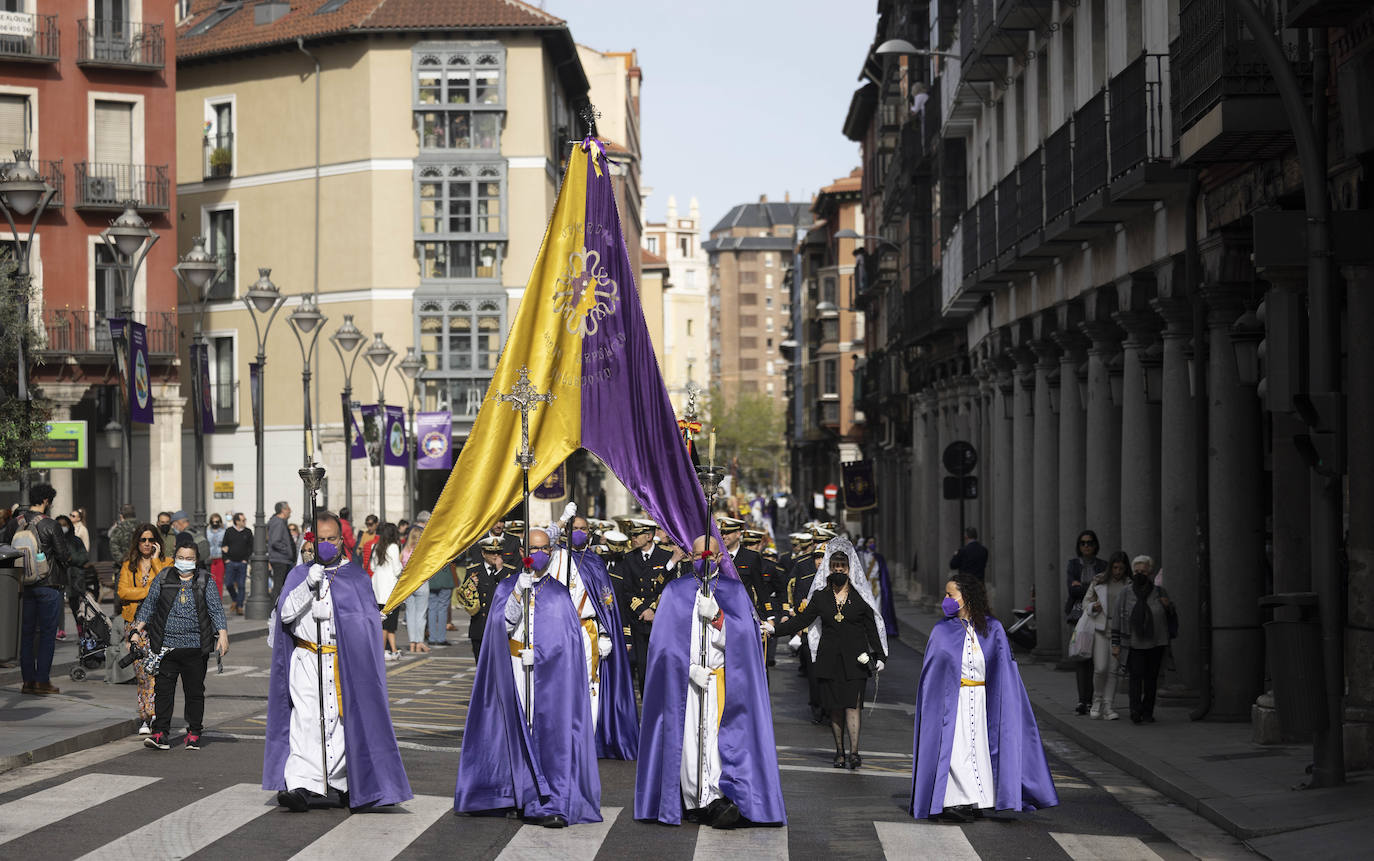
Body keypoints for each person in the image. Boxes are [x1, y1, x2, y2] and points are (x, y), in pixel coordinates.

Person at [263, 511, 412, 811]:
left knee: (340, 723)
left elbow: (365, 619)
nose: (327, 544)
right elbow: (286, 616)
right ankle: (301, 784)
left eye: (332, 539)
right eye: (321, 540)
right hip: (307, 660)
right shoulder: (298, 575)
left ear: (342, 541)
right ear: (311, 541)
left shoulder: (355, 576)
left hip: (342, 661)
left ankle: (341, 783)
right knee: (306, 720)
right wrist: (307, 586)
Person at [454, 525, 601, 828]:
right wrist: (516, 597)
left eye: (544, 548)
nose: (538, 553)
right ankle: (511, 793)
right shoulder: (508, 585)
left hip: (546, 676)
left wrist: (544, 656)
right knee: (513, 730)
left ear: (551, 552)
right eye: (532, 548)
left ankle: (543, 796)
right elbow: (501, 627)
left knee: (543, 732)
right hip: (514, 669)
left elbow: (567, 642)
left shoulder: (560, 593)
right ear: (521, 552)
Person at [635, 534, 786, 828]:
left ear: (719, 558)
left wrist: (718, 616)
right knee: (690, 742)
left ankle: (717, 796)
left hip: (721, 682)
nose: (704, 560)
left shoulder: (734, 591)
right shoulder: (675, 591)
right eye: (698, 555)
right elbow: (662, 645)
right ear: (691, 557)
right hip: (688, 683)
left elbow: (747, 639)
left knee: (717, 743)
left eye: (710, 556)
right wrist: (688, 669)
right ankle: (695, 800)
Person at [910, 573, 1058, 822]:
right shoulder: (941, 631)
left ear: (966, 598)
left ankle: (977, 799)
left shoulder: (993, 628)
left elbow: (1005, 670)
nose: (945, 599)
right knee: (955, 751)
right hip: (952, 701)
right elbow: (932, 675)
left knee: (979, 751)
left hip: (981, 700)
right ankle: (955, 801)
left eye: (950, 595)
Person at [773, 537, 887, 769]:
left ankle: (854, 752)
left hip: (856, 659)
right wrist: (774, 630)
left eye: (842, 567)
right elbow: (802, 620)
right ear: (828, 568)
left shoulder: (860, 597)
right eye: (834, 567)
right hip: (829, 658)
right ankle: (840, 752)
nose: (838, 571)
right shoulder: (821, 596)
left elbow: (871, 627)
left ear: (849, 569)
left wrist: (881, 656)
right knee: (835, 707)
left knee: (853, 706)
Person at [132, 533, 229, 751]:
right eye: (181, 556)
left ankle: (194, 732)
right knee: (164, 691)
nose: (184, 561)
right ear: (175, 557)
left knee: (194, 691)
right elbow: (149, 605)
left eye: (189, 557)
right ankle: (160, 734)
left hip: (196, 647)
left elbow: (215, 609)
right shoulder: (164, 577)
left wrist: (223, 634)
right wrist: (136, 630)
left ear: (196, 560)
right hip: (166, 646)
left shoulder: (205, 580)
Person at [560, 512, 639, 760]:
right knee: (562, 685)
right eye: (576, 528)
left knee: (590, 685)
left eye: (584, 528)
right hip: (561, 631)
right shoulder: (557, 558)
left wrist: (605, 632)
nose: (580, 532)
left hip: (588, 632)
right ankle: (564, 738)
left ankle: (589, 738)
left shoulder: (595, 561)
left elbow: (606, 602)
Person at [3, 484, 72, 695]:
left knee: (26, 633)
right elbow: (63, 555)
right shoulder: (50, 524)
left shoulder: (15, 523)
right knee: (47, 634)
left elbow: (5, 549)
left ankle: (27, 681)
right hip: (48, 584)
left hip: (23, 585)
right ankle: (42, 681)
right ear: (46, 501)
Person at [117, 523, 170, 731]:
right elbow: (123, 592)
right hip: (134, 624)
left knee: (157, 670)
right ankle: (146, 717)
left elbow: (167, 585)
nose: (147, 544)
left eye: (150, 540)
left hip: (158, 623)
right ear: (137, 542)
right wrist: (149, 590)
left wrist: (156, 562)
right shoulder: (128, 565)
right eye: (143, 540)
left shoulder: (165, 562)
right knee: (141, 672)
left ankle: (156, 714)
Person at [1112, 555, 1174, 725]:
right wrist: (1115, 644)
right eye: (1137, 571)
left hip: (1156, 642)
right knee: (1136, 677)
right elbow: (1117, 618)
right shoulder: (1126, 592)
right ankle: (1135, 710)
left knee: (1151, 678)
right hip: (1134, 643)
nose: (1140, 574)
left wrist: (1168, 606)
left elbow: (1171, 616)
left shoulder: (1160, 592)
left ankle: (1148, 711)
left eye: (1144, 571)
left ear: (1150, 572)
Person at [620, 519, 674, 693]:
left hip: (660, 621)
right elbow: (627, 590)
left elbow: (669, 588)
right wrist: (643, 610)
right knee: (643, 670)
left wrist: (654, 610)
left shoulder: (666, 556)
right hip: (639, 621)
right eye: (632, 534)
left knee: (662, 666)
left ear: (649, 536)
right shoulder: (629, 558)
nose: (633, 538)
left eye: (637, 534)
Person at [1066, 529, 1107, 715]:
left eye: (1090, 542)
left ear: (1095, 545)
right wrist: (1090, 587)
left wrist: (1081, 587)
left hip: (1098, 616)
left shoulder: (1103, 565)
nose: (1086, 546)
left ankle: (1094, 699)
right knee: (1081, 657)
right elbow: (1072, 590)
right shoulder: (1073, 564)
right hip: (1079, 617)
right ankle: (1082, 700)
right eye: (1083, 543)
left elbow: (1101, 591)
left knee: (1096, 660)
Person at [1086, 550, 1130, 720]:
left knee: (1113, 670)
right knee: (1100, 668)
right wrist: (1092, 607)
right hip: (1101, 628)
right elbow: (1086, 602)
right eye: (1115, 567)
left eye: (1121, 568)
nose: (1118, 571)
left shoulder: (1129, 583)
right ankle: (1097, 701)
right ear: (1110, 567)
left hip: (1119, 630)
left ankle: (1108, 705)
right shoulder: (1099, 580)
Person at [456, 536, 514, 662]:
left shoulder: (508, 571)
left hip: (500, 627)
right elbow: (466, 601)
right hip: (480, 627)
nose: (495, 556)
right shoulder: (473, 571)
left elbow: (511, 594)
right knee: (481, 666)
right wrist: (470, 587)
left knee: (499, 667)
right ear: (483, 553)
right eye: (491, 552)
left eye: (498, 552)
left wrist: (500, 571)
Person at [53, 514, 93, 640]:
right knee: (57, 606)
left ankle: (81, 633)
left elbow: (84, 557)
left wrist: (71, 559)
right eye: (59, 525)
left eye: (64, 525)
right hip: (59, 578)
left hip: (75, 578)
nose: (62, 527)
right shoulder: (53, 540)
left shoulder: (76, 540)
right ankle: (60, 631)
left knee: (76, 607)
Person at [369, 523, 404, 660]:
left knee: (384, 621)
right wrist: (400, 562)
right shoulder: (394, 547)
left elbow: (372, 567)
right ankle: (382, 650)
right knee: (388, 623)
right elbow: (397, 569)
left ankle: (393, 649)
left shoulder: (375, 546)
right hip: (389, 588)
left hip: (377, 586)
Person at [858, 537, 899, 639]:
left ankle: (878, 629)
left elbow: (883, 573)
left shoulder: (879, 557)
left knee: (877, 607)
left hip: (877, 585)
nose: (872, 544)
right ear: (866, 544)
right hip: (866, 585)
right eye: (870, 542)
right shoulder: (861, 555)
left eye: (874, 542)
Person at [401, 520, 430, 652]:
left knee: (410, 614)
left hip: (408, 585)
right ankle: (419, 642)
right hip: (421, 583)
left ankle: (412, 642)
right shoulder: (421, 551)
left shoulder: (405, 551)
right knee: (421, 614)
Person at [221, 512, 253, 615]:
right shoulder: (229, 531)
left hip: (242, 563)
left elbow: (250, 547)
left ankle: (239, 606)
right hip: (230, 562)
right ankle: (235, 599)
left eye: (245, 520)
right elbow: (224, 546)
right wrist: (226, 559)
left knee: (241, 585)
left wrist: (246, 559)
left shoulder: (248, 532)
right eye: (243, 520)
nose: (245, 522)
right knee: (229, 583)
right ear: (237, 521)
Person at [266, 501, 294, 599]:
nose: (291, 511)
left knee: (282, 586)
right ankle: (274, 610)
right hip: (280, 559)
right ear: (283, 510)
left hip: (282, 559)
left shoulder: (280, 522)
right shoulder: (278, 522)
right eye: (289, 509)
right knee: (278, 587)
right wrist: (287, 551)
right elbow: (275, 541)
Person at [427, 554, 455, 648]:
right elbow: (457, 557)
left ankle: (432, 638)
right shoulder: (447, 542)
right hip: (445, 577)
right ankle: (440, 638)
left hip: (432, 577)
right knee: (442, 609)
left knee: (432, 609)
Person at [108, 504, 139, 569]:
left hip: (123, 567)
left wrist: (123, 561)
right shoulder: (143, 526)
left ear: (121, 515)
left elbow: (114, 547)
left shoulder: (119, 528)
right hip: (141, 565)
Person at [206, 514, 227, 599]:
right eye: (213, 521)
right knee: (210, 580)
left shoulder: (223, 531)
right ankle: (211, 598)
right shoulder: (207, 531)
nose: (215, 523)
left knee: (219, 580)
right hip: (210, 558)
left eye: (217, 521)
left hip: (220, 557)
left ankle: (219, 599)